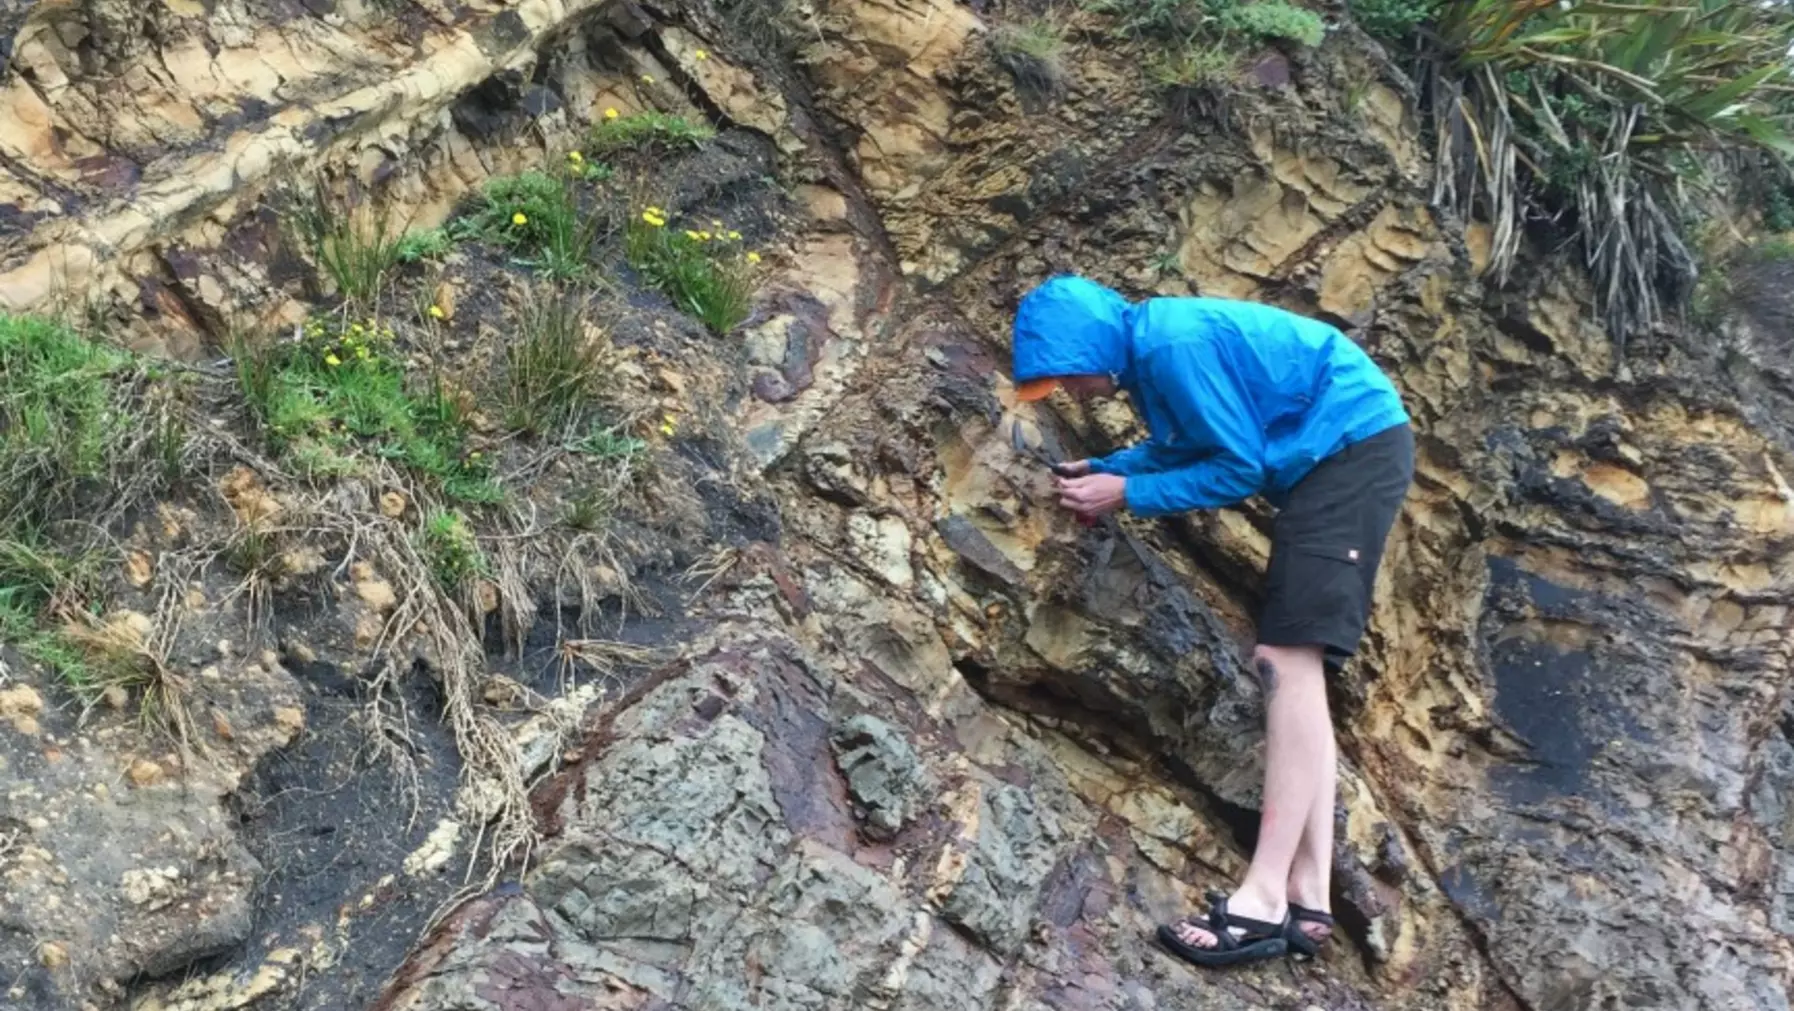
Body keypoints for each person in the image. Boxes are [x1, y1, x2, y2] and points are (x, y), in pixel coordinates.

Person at [1010, 274, 1413, 967]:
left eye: (1066, 374)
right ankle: (1308, 896)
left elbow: (1235, 468)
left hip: (1348, 450)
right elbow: (1187, 446)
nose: (1069, 391)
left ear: (1090, 345)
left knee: (1285, 661)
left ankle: (1260, 900)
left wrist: (1127, 492)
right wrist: (1111, 466)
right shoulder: (1152, 350)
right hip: (1341, 451)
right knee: (1300, 669)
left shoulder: (1173, 345)